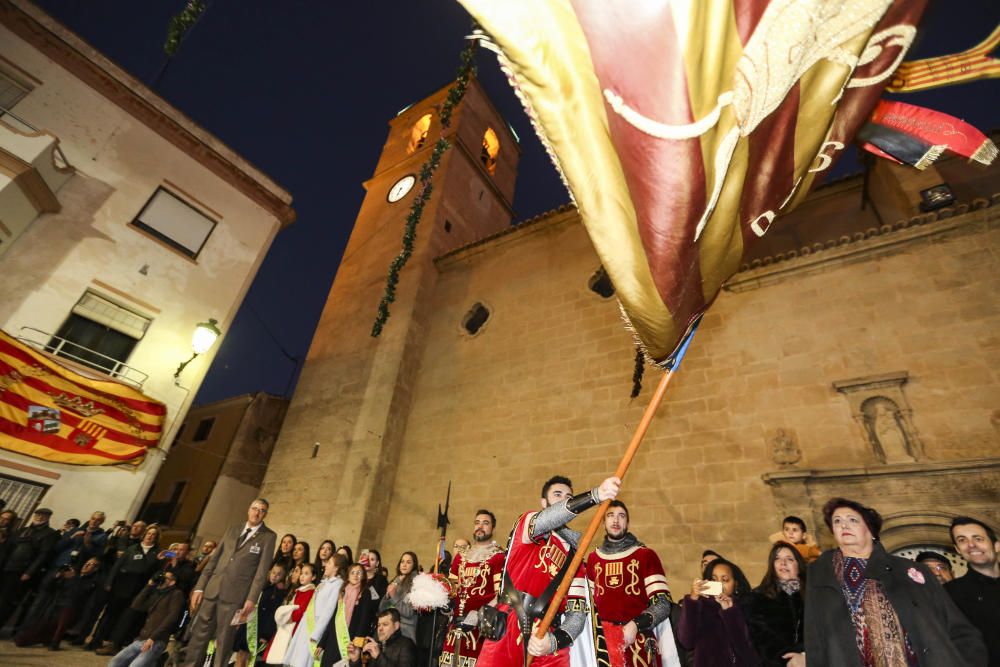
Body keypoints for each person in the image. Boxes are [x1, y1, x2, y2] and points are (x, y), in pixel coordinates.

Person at [804, 497, 986, 666]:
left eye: (852, 520)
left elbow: (956, 627)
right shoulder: (819, 574)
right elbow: (815, 640)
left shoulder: (911, 571)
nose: (844, 524)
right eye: (837, 521)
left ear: (871, 530)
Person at [477, 474, 620, 667]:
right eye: (558, 494)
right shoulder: (528, 526)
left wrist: (553, 642)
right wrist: (595, 495)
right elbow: (549, 518)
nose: (565, 499)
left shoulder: (576, 558)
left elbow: (576, 613)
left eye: (569, 496)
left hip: (547, 639)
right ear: (544, 502)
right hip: (509, 625)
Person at [182, 498, 277, 667]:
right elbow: (213, 561)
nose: (257, 512)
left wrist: (251, 599)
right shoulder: (233, 529)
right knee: (199, 637)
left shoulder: (268, 537)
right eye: (254, 508)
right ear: (248, 510)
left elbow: (261, 573)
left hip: (235, 597)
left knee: (224, 641)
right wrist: (199, 588)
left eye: (261, 510)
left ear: (265, 514)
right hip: (213, 590)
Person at [586, 500, 681, 667]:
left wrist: (635, 625)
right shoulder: (594, 559)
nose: (616, 520)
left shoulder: (645, 555)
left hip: (638, 642)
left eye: (621, 516)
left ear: (627, 523)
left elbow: (663, 604)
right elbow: (589, 607)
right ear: (603, 522)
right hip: (603, 647)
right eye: (610, 515)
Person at [439, 510, 505, 667]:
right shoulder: (460, 557)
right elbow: (451, 589)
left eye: (485, 523)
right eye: (477, 523)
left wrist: (479, 615)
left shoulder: (499, 557)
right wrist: (446, 605)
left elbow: (501, 594)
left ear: (493, 528)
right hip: (455, 628)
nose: (480, 526)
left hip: (481, 631)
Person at [92, 524, 161, 653]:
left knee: (126, 619)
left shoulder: (157, 553)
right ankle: (96, 641)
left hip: (139, 590)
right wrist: (109, 582)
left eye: (153, 535)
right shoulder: (132, 549)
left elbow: (155, 572)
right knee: (109, 615)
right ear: (144, 535)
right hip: (121, 586)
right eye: (149, 533)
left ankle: (114, 645)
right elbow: (117, 567)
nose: (150, 536)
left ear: (156, 538)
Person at [676, 557, 759, 666]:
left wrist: (729, 612)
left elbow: (749, 653)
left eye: (725, 580)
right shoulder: (699, 607)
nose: (719, 584)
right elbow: (686, 641)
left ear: (736, 584)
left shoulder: (746, 607)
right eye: (714, 580)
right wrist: (693, 599)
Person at [13, 555, 101, 650]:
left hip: (72, 610)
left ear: (96, 569)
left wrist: (72, 578)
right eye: (86, 563)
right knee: (21, 641)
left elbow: (79, 593)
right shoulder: (72, 575)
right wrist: (57, 576)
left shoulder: (92, 581)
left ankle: (56, 640)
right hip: (56, 607)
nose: (86, 565)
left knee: (67, 611)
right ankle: (48, 638)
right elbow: (48, 588)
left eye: (91, 564)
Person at [946, 516, 1000, 665]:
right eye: (962, 540)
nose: (971, 545)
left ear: (996, 546)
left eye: (978, 538)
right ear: (958, 550)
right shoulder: (950, 593)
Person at [107, 569, 185, 667]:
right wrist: (149, 585)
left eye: (165, 578)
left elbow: (172, 617)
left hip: (156, 641)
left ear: (172, 582)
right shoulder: (158, 594)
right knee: (115, 662)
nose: (162, 579)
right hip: (141, 639)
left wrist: (153, 638)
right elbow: (136, 605)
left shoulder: (176, 594)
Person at [746, 542, 805, 667]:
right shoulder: (758, 597)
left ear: (799, 565)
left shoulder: (813, 595)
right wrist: (789, 659)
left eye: (789, 559)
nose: (783, 563)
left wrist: (804, 656)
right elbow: (761, 636)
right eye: (777, 559)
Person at [0, 506, 59, 629]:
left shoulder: (50, 534)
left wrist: (29, 572)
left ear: (48, 518)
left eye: (43, 515)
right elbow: (8, 548)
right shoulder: (22, 530)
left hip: (21, 572)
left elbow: (44, 555)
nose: (39, 517)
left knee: (8, 601)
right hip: (6, 568)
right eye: (38, 514)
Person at [286, 552, 346, 667]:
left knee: (304, 662)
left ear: (336, 567)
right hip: (306, 625)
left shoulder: (337, 584)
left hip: (314, 628)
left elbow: (329, 611)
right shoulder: (324, 583)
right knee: (296, 660)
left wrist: (316, 633)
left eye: (329, 563)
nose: (326, 565)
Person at [318, 561, 381, 667]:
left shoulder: (365, 593)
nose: (356, 575)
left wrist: (356, 643)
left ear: (363, 576)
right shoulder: (342, 592)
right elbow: (334, 618)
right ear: (347, 576)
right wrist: (322, 643)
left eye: (359, 573)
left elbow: (364, 621)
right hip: (333, 638)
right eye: (353, 572)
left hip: (350, 640)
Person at [234, 563, 289, 667]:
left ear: (283, 577)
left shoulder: (278, 592)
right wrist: (240, 621)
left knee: (247, 658)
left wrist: (266, 635)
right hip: (248, 624)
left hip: (258, 630)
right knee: (240, 654)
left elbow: (273, 615)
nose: (275, 576)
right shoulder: (264, 586)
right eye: (273, 572)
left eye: (279, 574)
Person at [264, 562, 317, 664]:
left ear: (313, 577)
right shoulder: (300, 590)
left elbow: (301, 611)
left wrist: (288, 618)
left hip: (295, 627)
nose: (302, 576)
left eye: (306, 574)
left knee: (288, 656)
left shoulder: (310, 592)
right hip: (289, 625)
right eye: (301, 573)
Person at [349, 608, 417, 667]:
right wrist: (355, 660)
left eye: (385, 624)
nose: (380, 629)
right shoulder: (376, 645)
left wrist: (378, 657)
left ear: (396, 626)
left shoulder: (406, 644)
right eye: (379, 625)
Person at [380, 551, 420, 641]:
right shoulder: (396, 580)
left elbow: (408, 612)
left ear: (414, 565)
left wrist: (394, 596)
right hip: (388, 628)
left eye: (408, 562)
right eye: (402, 561)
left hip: (404, 632)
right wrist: (387, 597)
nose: (404, 565)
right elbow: (381, 610)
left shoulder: (416, 584)